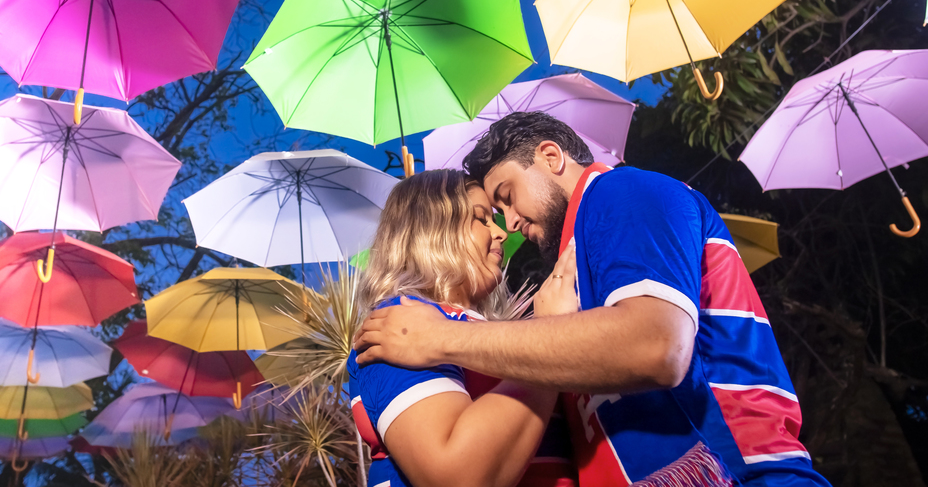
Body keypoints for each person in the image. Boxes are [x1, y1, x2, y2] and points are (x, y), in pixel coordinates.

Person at [354, 112, 832, 487]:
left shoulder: (619, 191)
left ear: (550, 157)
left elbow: (654, 345)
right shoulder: (409, 319)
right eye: (489, 213)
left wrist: (445, 339)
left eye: (507, 196)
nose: (508, 226)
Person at [347, 169, 579, 487]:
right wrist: (551, 342)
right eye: (481, 219)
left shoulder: (477, 329)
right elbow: (458, 475)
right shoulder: (398, 323)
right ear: (431, 231)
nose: (499, 233)